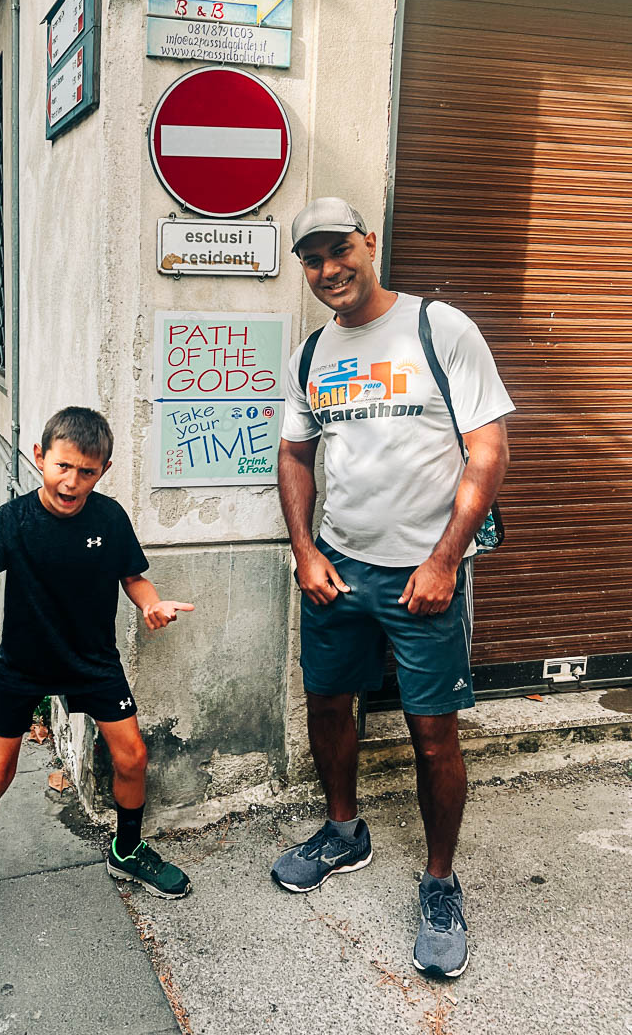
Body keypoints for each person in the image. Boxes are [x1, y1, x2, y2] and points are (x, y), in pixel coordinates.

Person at [271, 197, 513, 978]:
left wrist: (445, 560)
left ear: (368, 243)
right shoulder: (312, 353)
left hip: (425, 578)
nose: (328, 269)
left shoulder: (439, 329)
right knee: (326, 704)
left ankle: (441, 884)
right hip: (337, 572)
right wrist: (305, 551)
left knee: (434, 732)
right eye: (312, 259)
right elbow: (296, 456)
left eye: (339, 249)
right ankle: (345, 833)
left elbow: (488, 451)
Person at [0, 406, 195, 951]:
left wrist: (151, 606)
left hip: (93, 660)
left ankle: (126, 850)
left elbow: (134, 578)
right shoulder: (12, 520)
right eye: (64, 466)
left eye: (87, 472)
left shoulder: (109, 519)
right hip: (24, 663)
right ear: (40, 458)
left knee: (132, 756)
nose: (72, 481)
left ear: (102, 472)